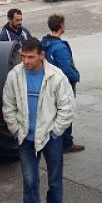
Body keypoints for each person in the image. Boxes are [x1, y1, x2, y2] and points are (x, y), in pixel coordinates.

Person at [2, 37, 75, 203]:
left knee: (54, 180)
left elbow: (67, 107)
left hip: (50, 138)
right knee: (30, 183)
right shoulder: (14, 76)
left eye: (30, 57)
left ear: (41, 56)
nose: (25, 61)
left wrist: (55, 132)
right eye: (23, 56)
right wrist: (16, 131)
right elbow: (8, 104)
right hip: (26, 139)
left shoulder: (56, 77)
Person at [41, 14, 85, 154]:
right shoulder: (59, 47)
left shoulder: (45, 43)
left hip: (50, 83)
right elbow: (66, 68)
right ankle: (66, 143)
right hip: (63, 85)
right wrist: (75, 77)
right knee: (66, 111)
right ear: (61, 26)